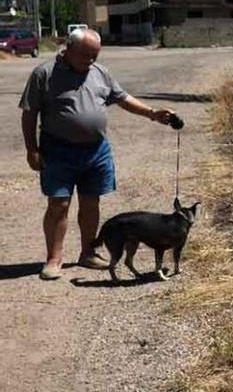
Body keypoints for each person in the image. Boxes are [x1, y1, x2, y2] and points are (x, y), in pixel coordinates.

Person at [19, 29, 175, 280]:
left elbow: (122, 98)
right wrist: (31, 149)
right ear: (68, 48)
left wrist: (152, 113)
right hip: (58, 151)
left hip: (96, 151)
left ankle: (88, 253)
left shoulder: (100, 72)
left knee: (91, 204)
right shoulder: (44, 74)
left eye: (94, 55)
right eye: (85, 55)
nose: (90, 61)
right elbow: (29, 113)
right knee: (59, 205)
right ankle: (54, 259)